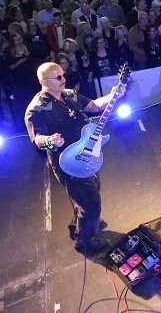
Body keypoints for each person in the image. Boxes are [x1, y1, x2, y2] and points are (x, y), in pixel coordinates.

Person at [25, 62, 126, 254]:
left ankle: (79, 225)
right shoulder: (37, 108)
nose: (64, 80)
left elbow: (94, 106)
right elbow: (37, 139)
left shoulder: (68, 94)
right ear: (43, 82)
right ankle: (84, 242)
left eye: (63, 75)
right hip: (68, 162)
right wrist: (50, 140)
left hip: (86, 153)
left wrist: (113, 95)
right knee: (92, 204)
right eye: (58, 78)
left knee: (89, 192)